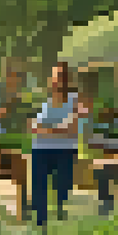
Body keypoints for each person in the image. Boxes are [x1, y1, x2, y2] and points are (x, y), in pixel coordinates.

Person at [29, 62, 88, 226]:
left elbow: (72, 129)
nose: (58, 81)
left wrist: (45, 130)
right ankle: (41, 225)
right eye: (56, 77)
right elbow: (32, 127)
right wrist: (55, 129)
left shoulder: (76, 101)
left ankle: (61, 224)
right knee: (39, 189)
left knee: (62, 188)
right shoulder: (45, 101)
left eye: (62, 77)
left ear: (68, 79)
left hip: (65, 150)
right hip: (40, 149)